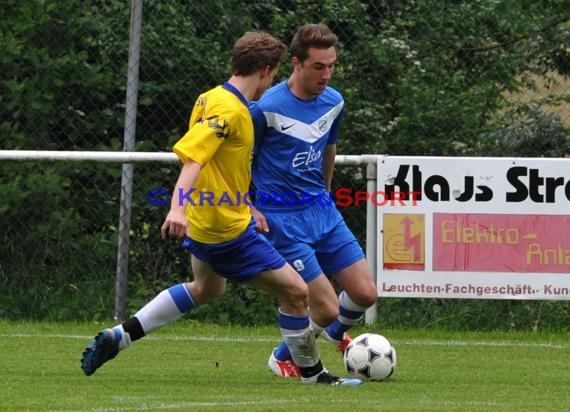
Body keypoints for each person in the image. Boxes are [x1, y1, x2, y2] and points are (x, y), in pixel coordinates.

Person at [80, 31, 361, 386]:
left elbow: (218, 165)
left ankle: (122, 335)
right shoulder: (232, 111)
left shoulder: (208, 98)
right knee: (296, 292)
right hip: (224, 228)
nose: (270, 84)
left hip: (207, 220)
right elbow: (194, 159)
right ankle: (313, 374)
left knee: (206, 289)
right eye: (271, 76)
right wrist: (177, 208)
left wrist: (242, 204)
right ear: (265, 70)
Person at [249, 24, 378, 378]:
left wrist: (326, 192)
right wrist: (249, 204)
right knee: (323, 308)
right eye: (319, 66)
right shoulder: (266, 107)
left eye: (332, 65)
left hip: (321, 210)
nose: (327, 74)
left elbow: (329, 149)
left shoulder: (334, 101)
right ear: (296, 63)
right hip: (282, 218)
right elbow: (240, 157)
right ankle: (282, 356)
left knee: (366, 293)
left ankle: (334, 339)